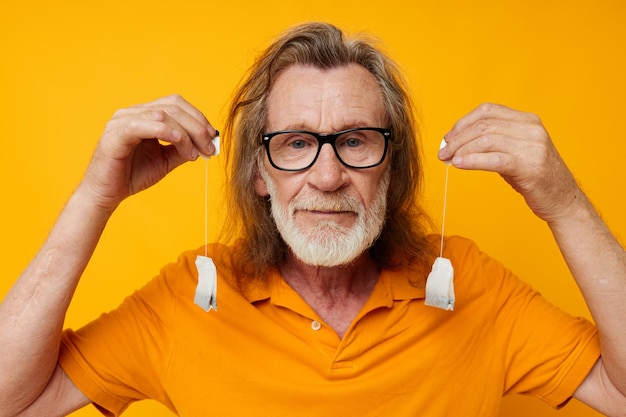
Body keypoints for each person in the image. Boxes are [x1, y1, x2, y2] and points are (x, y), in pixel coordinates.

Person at [1, 21, 625, 417]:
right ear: (257, 173)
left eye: (355, 141)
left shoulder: (468, 282)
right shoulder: (188, 296)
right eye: (296, 143)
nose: (327, 177)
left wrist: (563, 202)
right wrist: (94, 198)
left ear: (394, 165)